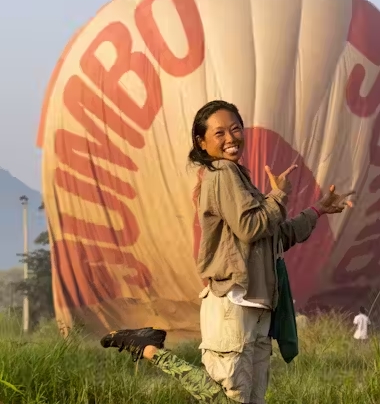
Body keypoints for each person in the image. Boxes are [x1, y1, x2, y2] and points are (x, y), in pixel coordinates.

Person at [100, 100, 354, 404]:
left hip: (258, 307)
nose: (231, 138)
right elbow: (252, 226)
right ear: (202, 143)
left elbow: (274, 237)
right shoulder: (221, 173)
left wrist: (317, 210)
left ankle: (147, 347)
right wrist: (281, 194)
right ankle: (148, 349)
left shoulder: (242, 181)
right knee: (227, 399)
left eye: (235, 129)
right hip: (232, 304)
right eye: (219, 133)